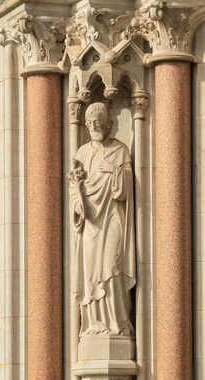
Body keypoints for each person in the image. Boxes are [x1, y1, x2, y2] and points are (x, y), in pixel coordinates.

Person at [70, 102, 136, 336]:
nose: (94, 127)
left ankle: (117, 325)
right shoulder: (82, 153)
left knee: (112, 266)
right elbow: (73, 189)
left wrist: (112, 169)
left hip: (112, 219)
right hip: (90, 225)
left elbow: (126, 190)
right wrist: (77, 193)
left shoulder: (120, 150)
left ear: (108, 123)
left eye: (98, 122)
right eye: (90, 124)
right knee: (90, 274)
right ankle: (93, 325)